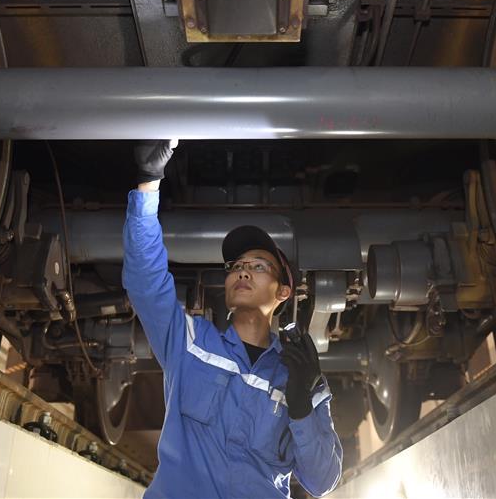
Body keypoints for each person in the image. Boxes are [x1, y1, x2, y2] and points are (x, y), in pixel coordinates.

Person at [122, 140, 343, 499]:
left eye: (258, 266)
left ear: (283, 292)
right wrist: (148, 182)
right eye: (236, 267)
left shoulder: (299, 379)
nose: (242, 272)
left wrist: (301, 405)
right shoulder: (190, 342)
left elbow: (324, 480)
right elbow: (144, 279)